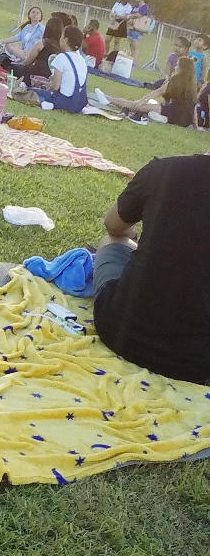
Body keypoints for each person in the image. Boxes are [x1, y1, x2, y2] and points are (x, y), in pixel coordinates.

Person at [94, 150, 210, 383]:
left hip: (121, 332)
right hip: (199, 364)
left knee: (112, 241)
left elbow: (113, 225)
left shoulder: (165, 170)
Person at [37, 23, 91, 112]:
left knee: (33, 92)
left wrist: (47, 89)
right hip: (78, 103)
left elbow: (55, 87)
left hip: (64, 101)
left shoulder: (61, 57)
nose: (60, 39)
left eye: (61, 36)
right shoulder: (81, 60)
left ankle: (49, 104)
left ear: (65, 40)